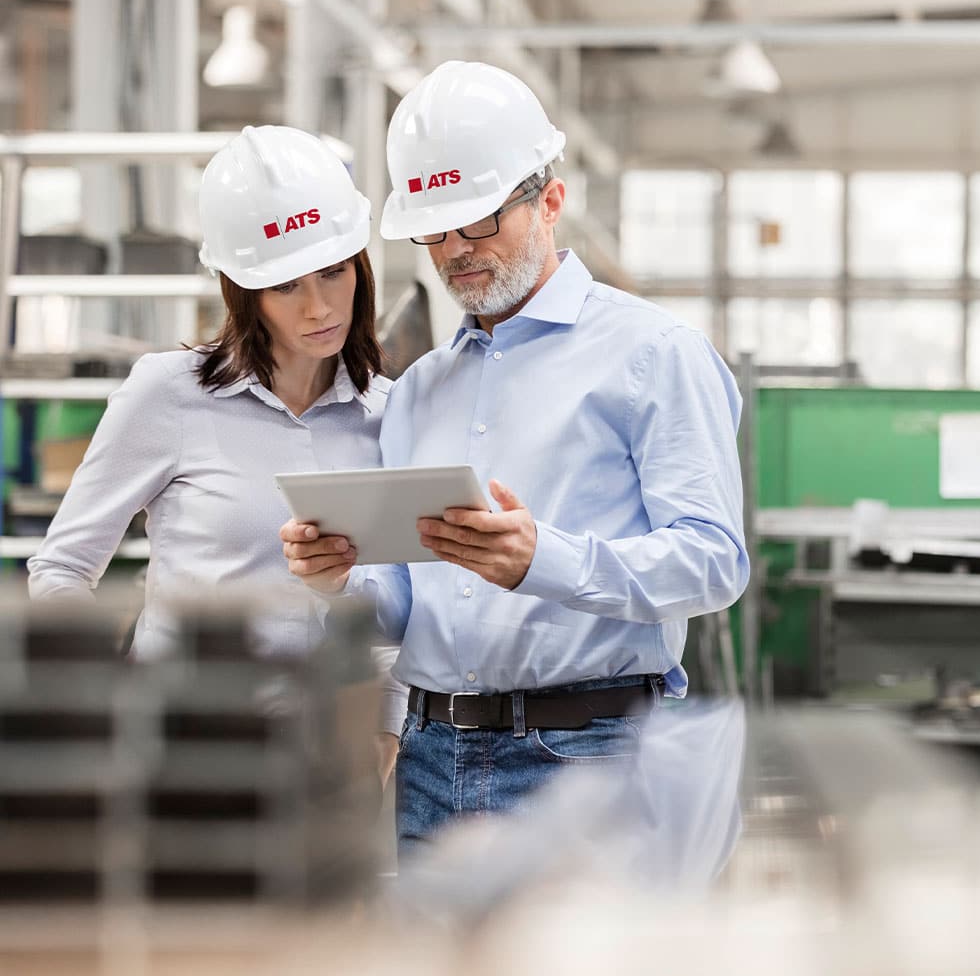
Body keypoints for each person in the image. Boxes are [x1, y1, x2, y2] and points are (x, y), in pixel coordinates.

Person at [281, 61, 750, 853]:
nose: (456, 251)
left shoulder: (654, 354)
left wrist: (545, 559)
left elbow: (714, 563)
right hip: (432, 759)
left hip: (591, 757)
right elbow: (402, 608)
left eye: (480, 223)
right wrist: (340, 581)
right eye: (434, 231)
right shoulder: (421, 389)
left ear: (551, 201)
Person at [27, 124, 399, 782]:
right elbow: (61, 569)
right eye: (286, 286)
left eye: (334, 271)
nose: (319, 307)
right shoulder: (170, 395)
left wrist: (385, 730)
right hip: (180, 752)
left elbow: (392, 605)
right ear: (242, 288)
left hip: (324, 764)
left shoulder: (389, 415)